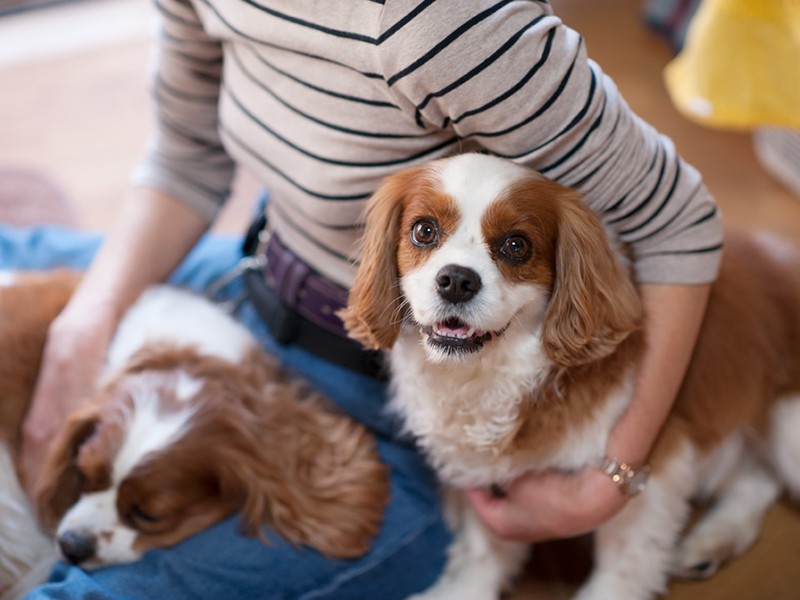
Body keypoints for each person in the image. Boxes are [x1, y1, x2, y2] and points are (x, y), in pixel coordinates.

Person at [9, 1, 722, 598]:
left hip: (394, 382)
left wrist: (612, 478)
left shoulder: (446, 25)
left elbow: (680, 221)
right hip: (250, 270)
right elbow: (184, 157)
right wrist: (84, 323)